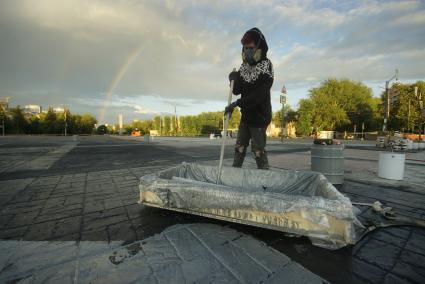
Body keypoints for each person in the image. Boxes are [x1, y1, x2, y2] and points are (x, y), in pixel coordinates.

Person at [224, 27, 274, 170]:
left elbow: (259, 95)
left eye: (251, 48)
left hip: (260, 116)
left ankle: (265, 178)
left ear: (260, 47)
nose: (248, 51)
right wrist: (233, 78)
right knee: (239, 147)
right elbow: (237, 90)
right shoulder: (244, 67)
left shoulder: (266, 66)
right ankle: (234, 173)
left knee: (258, 151)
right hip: (246, 116)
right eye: (245, 48)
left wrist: (237, 103)